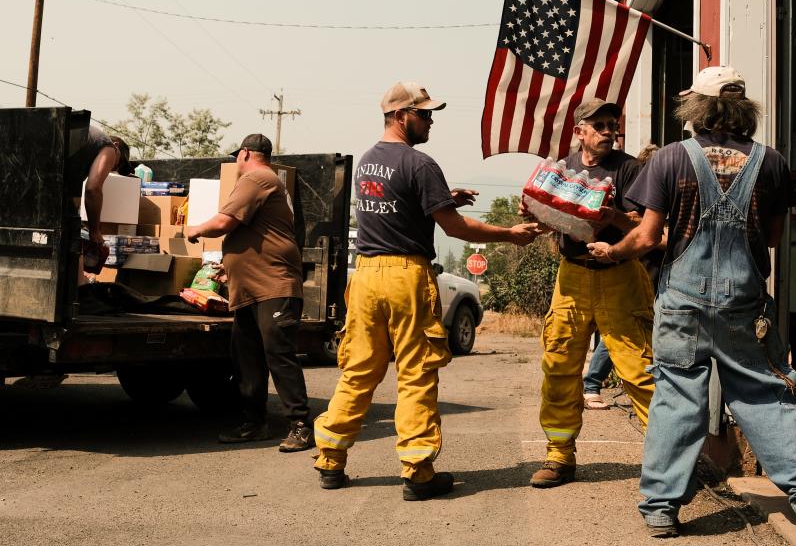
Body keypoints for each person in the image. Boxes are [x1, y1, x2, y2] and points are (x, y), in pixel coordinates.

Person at [588, 66, 796, 538]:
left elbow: (649, 236)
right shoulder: (771, 162)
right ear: (741, 109)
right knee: (766, 394)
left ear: (699, 108)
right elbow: (773, 236)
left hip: (681, 304)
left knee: (676, 399)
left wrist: (614, 250)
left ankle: (660, 508)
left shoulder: (672, 158)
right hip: (746, 302)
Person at [313, 81, 542, 500]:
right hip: (405, 276)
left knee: (360, 368)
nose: (431, 120)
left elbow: (396, 205)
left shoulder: (367, 162)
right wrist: (510, 234)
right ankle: (417, 472)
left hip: (364, 276)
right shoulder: (419, 163)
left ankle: (330, 458)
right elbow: (454, 227)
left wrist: (445, 196)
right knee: (417, 372)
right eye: (425, 114)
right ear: (401, 116)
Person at [529, 98, 656, 488]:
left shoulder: (631, 168)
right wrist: (536, 214)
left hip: (620, 275)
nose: (607, 130)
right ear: (579, 131)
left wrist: (610, 216)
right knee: (560, 367)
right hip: (571, 279)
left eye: (611, 124)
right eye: (598, 124)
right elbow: (548, 212)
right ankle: (559, 458)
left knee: (640, 370)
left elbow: (643, 223)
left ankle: (665, 462)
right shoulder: (561, 168)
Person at [185, 134, 313, 453]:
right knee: (247, 358)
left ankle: (301, 426)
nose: (235, 164)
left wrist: (194, 229)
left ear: (244, 154)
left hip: (273, 286)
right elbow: (256, 234)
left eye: (236, 158)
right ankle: (254, 423)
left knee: (278, 355)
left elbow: (224, 221)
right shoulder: (267, 180)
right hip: (250, 289)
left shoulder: (256, 177)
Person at [582, 144, 662, 411]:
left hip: (650, 270)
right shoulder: (643, 191)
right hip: (640, 269)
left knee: (631, 331)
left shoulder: (654, 193)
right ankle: (592, 383)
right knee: (618, 333)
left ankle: (596, 383)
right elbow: (649, 235)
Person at [67, 126, 133, 253]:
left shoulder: (84, 152)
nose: (114, 167)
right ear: (116, 145)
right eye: (119, 163)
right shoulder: (109, 147)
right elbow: (93, 189)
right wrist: (95, 231)